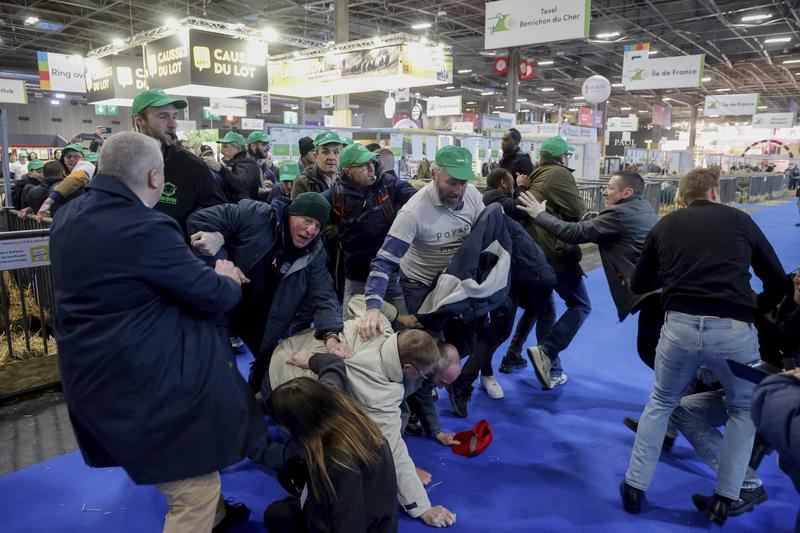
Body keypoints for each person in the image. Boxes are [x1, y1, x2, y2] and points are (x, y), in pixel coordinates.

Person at [50, 131, 266, 533]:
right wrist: (226, 277)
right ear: (155, 177)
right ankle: (206, 513)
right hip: (141, 378)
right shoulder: (146, 227)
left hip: (91, 372)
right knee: (195, 491)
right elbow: (212, 296)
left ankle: (218, 516)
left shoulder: (69, 214)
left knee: (193, 465)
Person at [620, 168, 792, 524]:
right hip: (733, 331)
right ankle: (727, 497)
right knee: (741, 410)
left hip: (679, 326)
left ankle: (634, 486)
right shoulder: (740, 220)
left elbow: (639, 282)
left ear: (683, 198)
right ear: (715, 192)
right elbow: (777, 280)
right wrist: (756, 307)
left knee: (661, 402)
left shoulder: (666, 224)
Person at [269, 305, 458, 528]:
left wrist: (380, 310)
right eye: (424, 375)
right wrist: (424, 507)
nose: (427, 380)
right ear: (408, 369)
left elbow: (358, 299)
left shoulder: (377, 325)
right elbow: (394, 451)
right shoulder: (380, 395)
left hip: (294, 345)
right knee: (311, 453)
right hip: (288, 383)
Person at [360, 146, 508, 414]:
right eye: (451, 182)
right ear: (433, 174)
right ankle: (417, 406)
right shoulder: (413, 213)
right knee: (423, 352)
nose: (458, 191)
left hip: (456, 284)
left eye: (462, 183)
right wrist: (372, 307)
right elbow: (383, 261)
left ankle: (447, 381)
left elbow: (487, 236)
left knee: (465, 343)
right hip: (421, 285)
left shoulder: (473, 196)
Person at [187, 192, 349, 396]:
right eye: (307, 220)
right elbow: (197, 220)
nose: (311, 230)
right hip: (222, 304)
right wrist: (223, 258)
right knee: (212, 372)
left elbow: (324, 295)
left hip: (266, 322)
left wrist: (331, 334)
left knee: (261, 378)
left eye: (317, 226)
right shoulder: (255, 213)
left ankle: (252, 400)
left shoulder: (315, 254)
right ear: (291, 214)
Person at [517, 172, 660, 369]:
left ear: (627, 192)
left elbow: (573, 233)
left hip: (653, 294)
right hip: (659, 287)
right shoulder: (643, 207)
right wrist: (600, 219)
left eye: (610, 188)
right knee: (656, 350)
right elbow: (623, 228)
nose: (604, 191)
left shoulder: (618, 215)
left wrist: (539, 215)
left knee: (650, 351)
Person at [37, 90, 227, 233]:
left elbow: (218, 208)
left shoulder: (191, 165)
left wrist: (216, 235)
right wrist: (50, 200)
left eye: (174, 116)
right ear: (139, 120)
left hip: (175, 259)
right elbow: (94, 196)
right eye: (163, 116)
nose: (173, 124)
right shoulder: (118, 159)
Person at [263, 377, 399, 533]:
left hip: (359, 525)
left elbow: (349, 524)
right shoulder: (356, 422)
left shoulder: (337, 463)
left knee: (278, 516)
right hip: (382, 521)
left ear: (299, 424)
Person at [517, 136, 592, 389]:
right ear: (562, 157)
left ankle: (551, 370)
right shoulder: (559, 174)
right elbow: (577, 211)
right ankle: (547, 352)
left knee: (546, 312)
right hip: (555, 254)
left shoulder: (535, 176)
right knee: (581, 305)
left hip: (533, 255)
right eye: (567, 155)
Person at [325, 142, 417, 316]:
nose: (370, 168)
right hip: (357, 278)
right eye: (363, 165)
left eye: (371, 162)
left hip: (391, 274)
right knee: (354, 327)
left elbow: (418, 199)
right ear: (348, 171)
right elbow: (314, 205)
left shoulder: (387, 184)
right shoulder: (337, 194)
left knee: (404, 326)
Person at [205, 131, 261, 202]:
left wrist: (221, 169)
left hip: (243, 207)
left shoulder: (248, 164)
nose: (222, 151)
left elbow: (241, 185)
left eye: (225, 147)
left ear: (238, 148)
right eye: (221, 147)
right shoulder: (232, 163)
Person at [292, 131, 345, 198]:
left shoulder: (346, 179)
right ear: (316, 155)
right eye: (325, 152)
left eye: (336, 152)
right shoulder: (304, 182)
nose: (331, 157)